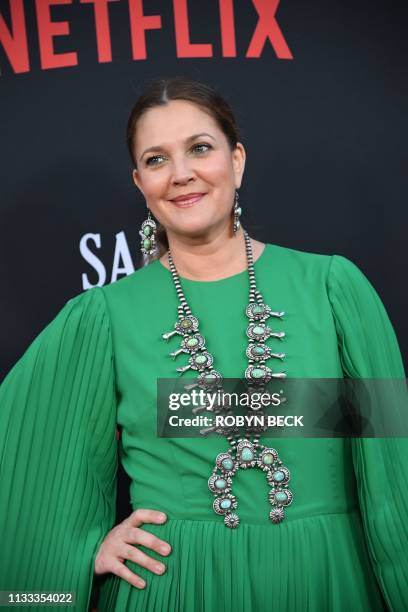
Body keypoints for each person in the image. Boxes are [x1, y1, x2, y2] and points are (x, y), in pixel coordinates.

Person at [0, 76, 407, 612]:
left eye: (199, 148)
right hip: (178, 588)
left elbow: (393, 475)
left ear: (236, 161)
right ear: (139, 182)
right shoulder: (103, 318)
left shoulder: (333, 290)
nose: (181, 174)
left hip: (328, 577)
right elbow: (29, 463)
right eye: (156, 159)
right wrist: (71, 560)